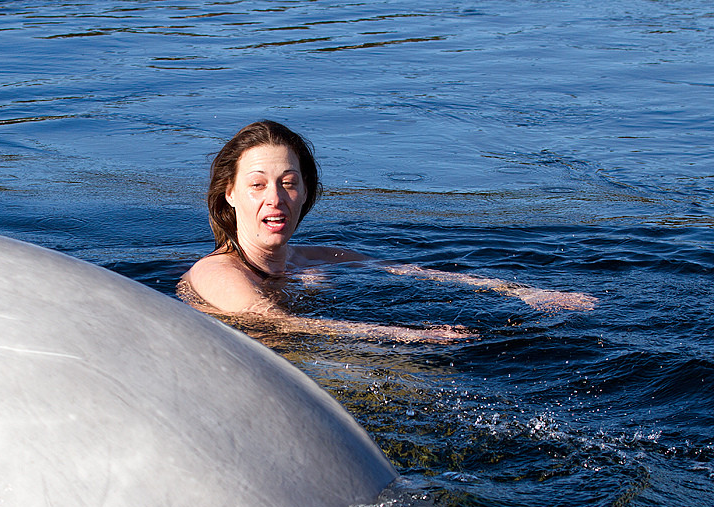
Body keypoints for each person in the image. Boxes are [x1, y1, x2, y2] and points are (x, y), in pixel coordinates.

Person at [178, 120, 596, 341]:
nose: (276, 198)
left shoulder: (316, 260)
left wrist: (525, 292)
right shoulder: (219, 274)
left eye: (289, 182)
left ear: (306, 192)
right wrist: (408, 336)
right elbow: (276, 324)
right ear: (229, 193)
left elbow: (413, 272)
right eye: (257, 184)